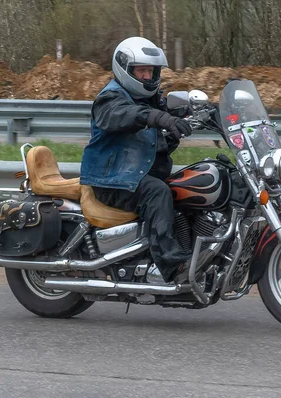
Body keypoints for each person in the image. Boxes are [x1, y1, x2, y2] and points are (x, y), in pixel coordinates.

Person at [80, 37, 198, 284]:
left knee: (189, 185)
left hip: (135, 177)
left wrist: (205, 114)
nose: (147, 76)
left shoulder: (150, 100)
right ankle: (170, 264)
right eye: (141, 70)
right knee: (156, 193)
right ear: (125, 69)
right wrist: (159, 118)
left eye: (150, 71)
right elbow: (126, 115)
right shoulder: (110, 99)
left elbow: (161, 115)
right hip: (112, 180)